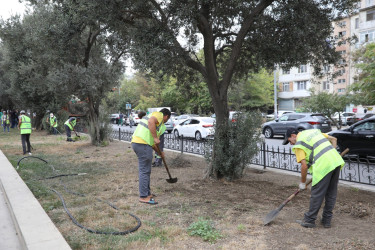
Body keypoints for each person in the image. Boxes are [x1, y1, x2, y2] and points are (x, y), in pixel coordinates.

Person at [282, 128, 345, 228]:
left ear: (293, 136)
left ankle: (309, 220)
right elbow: (334, 139)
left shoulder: (299, 144)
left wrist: (302, 183)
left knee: (317, 193)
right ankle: (326, 221)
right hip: (335, 161)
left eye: (289, 141)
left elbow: (304, 166)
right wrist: (331, 153)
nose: (291, 144)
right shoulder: (313, 131)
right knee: (331, 192)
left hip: (323, 166)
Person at [131, 108, 171, 205]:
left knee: (146, 170)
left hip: (141, 144)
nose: (166, 121)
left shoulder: (157, 125)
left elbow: (153, 144)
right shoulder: (158, 115)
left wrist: (159, 153)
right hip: (142, 144)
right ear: (166, 116)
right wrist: (155, 137)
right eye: (167, 119)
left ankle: (147, 193)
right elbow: (150, 122)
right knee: (144, 171)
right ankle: (144, 196)